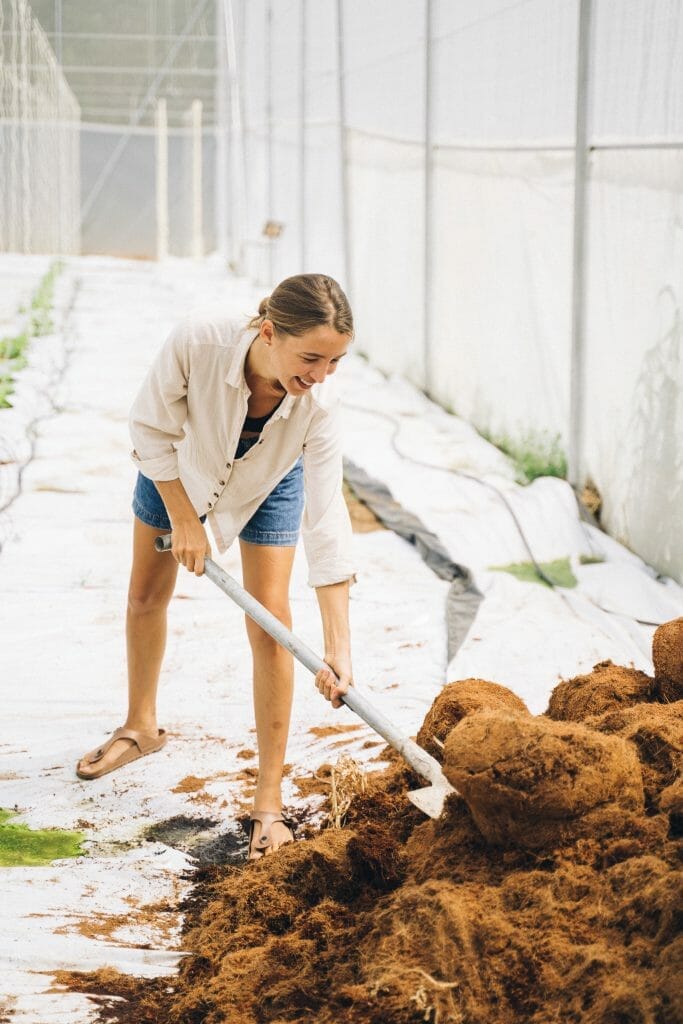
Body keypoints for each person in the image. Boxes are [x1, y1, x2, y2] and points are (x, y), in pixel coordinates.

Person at [76, 273, 357, 860]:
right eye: (311, 357)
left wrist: (339, 647)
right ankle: (141, 727)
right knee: (145, 597)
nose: (320, 376)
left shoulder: (320, 403)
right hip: (177, 470)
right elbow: (149, 428)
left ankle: (268, 803)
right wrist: (183, 517)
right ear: (269, 330)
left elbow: (328, 519)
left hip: (270, 481)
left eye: (335, 361)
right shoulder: (199, 341)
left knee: (271, 624)